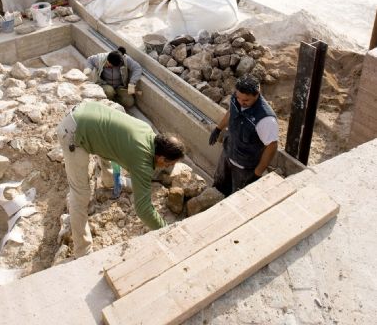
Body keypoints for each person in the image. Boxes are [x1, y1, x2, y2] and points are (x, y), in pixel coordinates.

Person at [57, 101, 185, 258]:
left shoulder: (147, 131)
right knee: (80, 195)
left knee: (109, 143)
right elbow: (144, 209)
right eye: (169, 163)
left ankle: (111, 181)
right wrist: (165, 230)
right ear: (161, 158)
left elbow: (116, 147)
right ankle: (82, 251)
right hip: (73, 133)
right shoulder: (143, 163)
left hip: (85, 111)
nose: (167, 167)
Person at [209, 74, 278, 196]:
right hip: (228, 154)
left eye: (246, 100)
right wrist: (218, 128)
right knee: (219, 185)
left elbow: (271, 147)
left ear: (257, 95)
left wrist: (257, 174)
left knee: (237, 197)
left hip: (245, 168)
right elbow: (231, 112)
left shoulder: (265, 119)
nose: (241, 102)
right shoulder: (237, 99)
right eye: (238, 97)